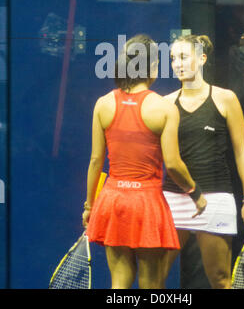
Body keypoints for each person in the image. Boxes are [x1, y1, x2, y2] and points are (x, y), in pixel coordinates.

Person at [82, 34, 207, 289]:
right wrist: (196, 193)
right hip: (147, 204)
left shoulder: (102, 104)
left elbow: (96, 161)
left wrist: (89, 205)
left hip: (112, 201)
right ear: (152, 67)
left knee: (119, 283)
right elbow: (173, 164)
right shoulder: (164, 108)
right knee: (152, 285)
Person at [162, 34, 244, 289]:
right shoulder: (164, 104)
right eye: (173, 59)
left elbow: (241, 152)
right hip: (172, 198)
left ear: (202, 58)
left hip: (216, 197)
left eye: (184, 57)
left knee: (220, 280)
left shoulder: (226, 99)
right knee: (154, 280)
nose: (177, 64)